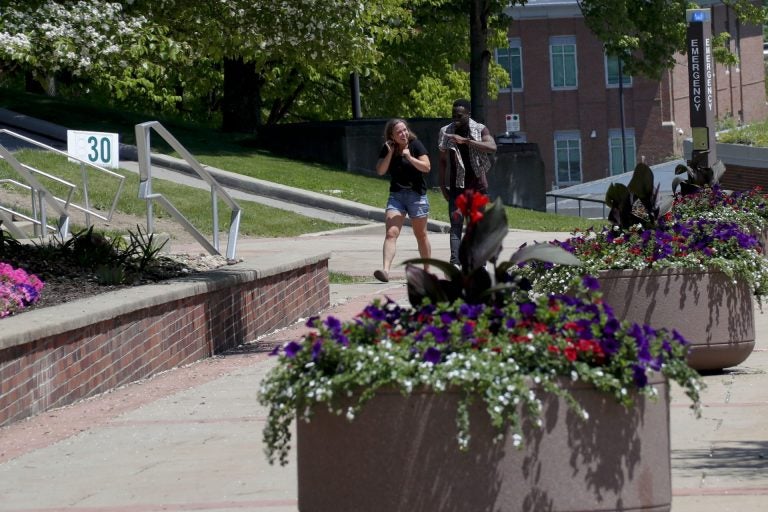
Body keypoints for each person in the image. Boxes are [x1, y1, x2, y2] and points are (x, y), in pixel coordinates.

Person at [438, 99, 497, 266]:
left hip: (477, 185)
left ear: (468, 115)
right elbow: (442, 161)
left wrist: (466, 141)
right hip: (457, 185)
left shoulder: (479, 129)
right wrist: (442, 186)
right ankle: (455, 262)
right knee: (455, 223)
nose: (455, 118)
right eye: (453, 115)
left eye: (459, 116)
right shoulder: (446, 132)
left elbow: (492, 147)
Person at [373, 118, 432, 283]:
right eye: (399, 132)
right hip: (397, 196)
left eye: (404, 130)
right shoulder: (388, 148)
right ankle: (385, 270)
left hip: (417, 195)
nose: (403, 133)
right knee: (391, 233)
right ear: (391, 135)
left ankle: (427, 271)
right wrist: (390, 153)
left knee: (420, 235)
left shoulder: (415, 145)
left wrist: (410, 158)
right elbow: (380, 170)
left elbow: (427, 167)